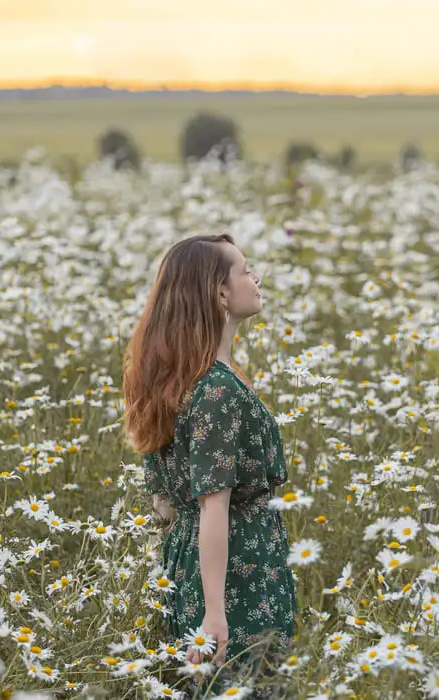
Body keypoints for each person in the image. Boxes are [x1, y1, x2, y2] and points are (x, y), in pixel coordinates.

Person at [123, 233, 298, 698]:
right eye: (245, 270)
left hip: (187, 561)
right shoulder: (217, 389)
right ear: (220, 293)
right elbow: (213, 506)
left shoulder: (174, 382)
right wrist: (215, 611)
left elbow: (164, 506)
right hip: (238, 570)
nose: (256, 278)